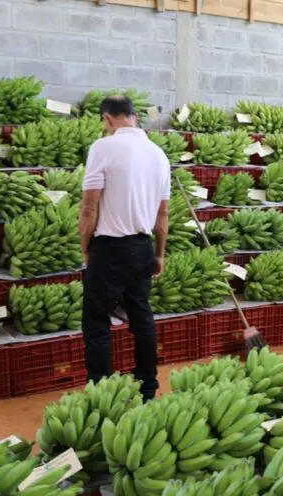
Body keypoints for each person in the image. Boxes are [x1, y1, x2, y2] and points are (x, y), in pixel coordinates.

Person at [80, 95, 170, 400]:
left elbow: (90, 207)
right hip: (142, 247)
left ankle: (100, 391)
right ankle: (147, 386)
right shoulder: (158, 154)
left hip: (109, 249)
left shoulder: (103, 147)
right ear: (133, 116)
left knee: (96, 322)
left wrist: (85, 246)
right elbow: (163, 214)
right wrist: (159, 253)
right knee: (142, 317)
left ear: (107, 119)